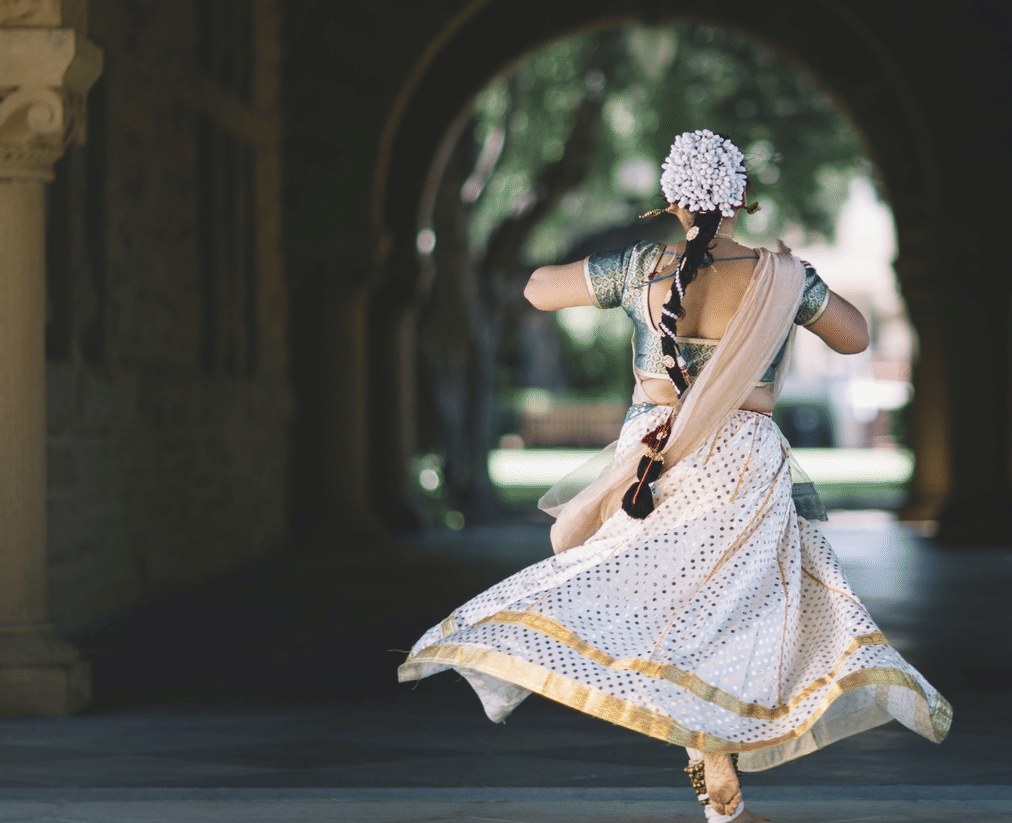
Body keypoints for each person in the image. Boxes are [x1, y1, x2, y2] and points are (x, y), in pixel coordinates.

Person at [399, 130, 950, 823]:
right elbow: (857, 336)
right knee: (738, 611)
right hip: (743, 461)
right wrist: (798, 284)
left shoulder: (642, 268)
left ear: (670, 200)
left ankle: (698, 745)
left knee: (660, 600)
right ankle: (715, 751)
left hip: (654, 460)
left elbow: (537, 289)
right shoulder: (782, 278)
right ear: (743, 199)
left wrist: (616, 267)